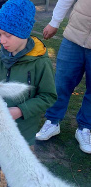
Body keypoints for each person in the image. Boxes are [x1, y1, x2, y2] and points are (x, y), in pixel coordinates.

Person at [0, 0, 57, 187]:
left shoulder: (40, 62)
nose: (1, 40)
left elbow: (48, 96)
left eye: (7, 35)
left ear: (23, 32)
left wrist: (20, 110)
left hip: (23, 129)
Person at [35, 0, 91, 154]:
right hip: (74, 38)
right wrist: (54, 22)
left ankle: (85, 128)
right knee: (60, 83)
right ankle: (52, 121)